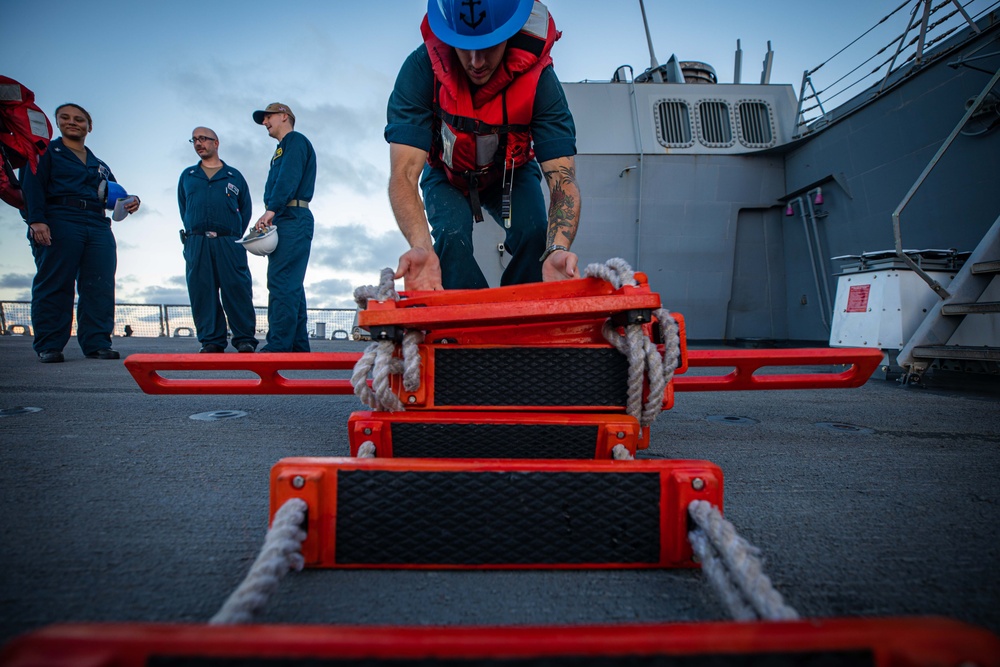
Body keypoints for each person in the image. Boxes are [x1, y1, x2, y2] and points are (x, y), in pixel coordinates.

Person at [386, 0, 581, 291]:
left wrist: (558, 248)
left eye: (489, 46)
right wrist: (421, 246)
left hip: (510, 174)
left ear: (509, 34)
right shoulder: (421, 69)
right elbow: (403, 174)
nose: (476, 62)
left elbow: (562, 177)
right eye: (465, 46)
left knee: (534, 234)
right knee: (451, 238)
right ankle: (464, 321)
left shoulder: (541, 81)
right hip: (447, 174)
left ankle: (522, 315)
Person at [20, 103, 140, 363]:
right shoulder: (44, 152)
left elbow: (115, 193)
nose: (72, 122)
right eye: (65, 117)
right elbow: (32, 187)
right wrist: (37, 221)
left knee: (99, 285)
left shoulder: (100, 165)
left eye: (79, 119)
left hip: (97, 223)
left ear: (89, 127)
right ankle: (49, 344)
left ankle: (97, 343)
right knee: (55, 282)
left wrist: (132, 200)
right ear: (57, 122)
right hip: (60, 219)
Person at [177, 127, 259, 353]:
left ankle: (244, 338)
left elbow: (245, 210)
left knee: (237, 288)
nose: (198, 143)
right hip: (196, 242)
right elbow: (184, 208)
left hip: (228, 242)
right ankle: (211, 340)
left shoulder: (234, 176)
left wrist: (230, 233)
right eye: (194, 139)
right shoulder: (188, 176)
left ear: (216, 143)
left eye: (203, 139)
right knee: (202, 289)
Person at [251, 103, 316, 352]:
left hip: (291, 215)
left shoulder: (294, 141)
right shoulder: (282, 148)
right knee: (291, 283)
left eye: (269, 117)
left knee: (281, 281)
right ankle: (299, 346)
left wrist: (272, 209)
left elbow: (288, 176)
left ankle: (278, 345)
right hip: (287, 216)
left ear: (284, 116)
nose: (265, 122)